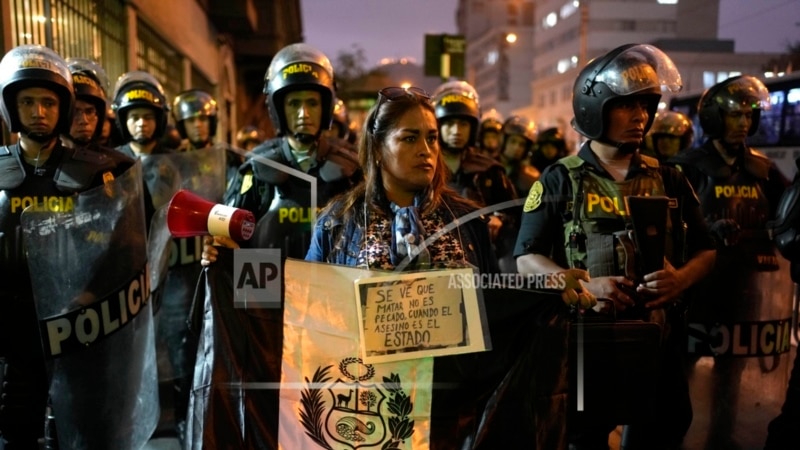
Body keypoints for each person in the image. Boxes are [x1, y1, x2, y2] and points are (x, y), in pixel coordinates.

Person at [514, 43, 716, 449]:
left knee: (660, 433)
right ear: (595, 108)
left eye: (646, 105)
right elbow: (526, 259)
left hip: (658, 342)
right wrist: (584, 286)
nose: (641, 116)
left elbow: (707, 249)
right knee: (584, 438)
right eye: (627, 105)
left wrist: (680, 279)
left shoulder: (671, 179)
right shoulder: (560, 179)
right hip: (588, 344)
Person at [0, 44, 136, 449]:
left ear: (63, 106)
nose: (39, 112)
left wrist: (91, 296)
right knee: (13, 432)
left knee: (78, 433)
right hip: (12, 332)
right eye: (28, 102)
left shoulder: (95, 173)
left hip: (78, 327)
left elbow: (121, 252)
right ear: (11, 106)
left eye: (48, 102)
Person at [668, 75, 790, 449]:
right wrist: (703, 229)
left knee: (733, 373)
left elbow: (786, 218)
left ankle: (723, 438)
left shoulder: (764, 169)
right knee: (682, 371)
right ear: (715, 118)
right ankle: (680, 437)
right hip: (697, 290)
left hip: (747, 290)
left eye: (748, 116)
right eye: (735, 115)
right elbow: (667, 226)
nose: (743, 124)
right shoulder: (686, 166)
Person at [305, 85, 497, 272]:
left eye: (431, 139)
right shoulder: (336, 222)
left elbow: (494, 300)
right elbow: (310, 297)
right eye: (410, 139)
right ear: (378, 148)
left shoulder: (469, 219)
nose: (425, 151)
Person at [220, 42, 360, 259]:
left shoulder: (352, 169)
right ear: (278, 109)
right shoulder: (256, 169)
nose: (303, 113)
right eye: (294, 104)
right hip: (267, 285)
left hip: (332, 287)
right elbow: (227, 236)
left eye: (312, 103)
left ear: (326, 107)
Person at [430, 80, 517, 271]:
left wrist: (499, 219)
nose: (456, 131)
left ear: (473, 128)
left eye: (462, 124)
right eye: (449, 124)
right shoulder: (425, 167)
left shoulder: (489, 169)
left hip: (482, 257)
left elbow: (514, 213)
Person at [498, 115, 540, 197]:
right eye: (513, 141)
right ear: (503, 141)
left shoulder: (530, 177)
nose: (516, 148)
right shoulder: (488, 167)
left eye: (522, 144)